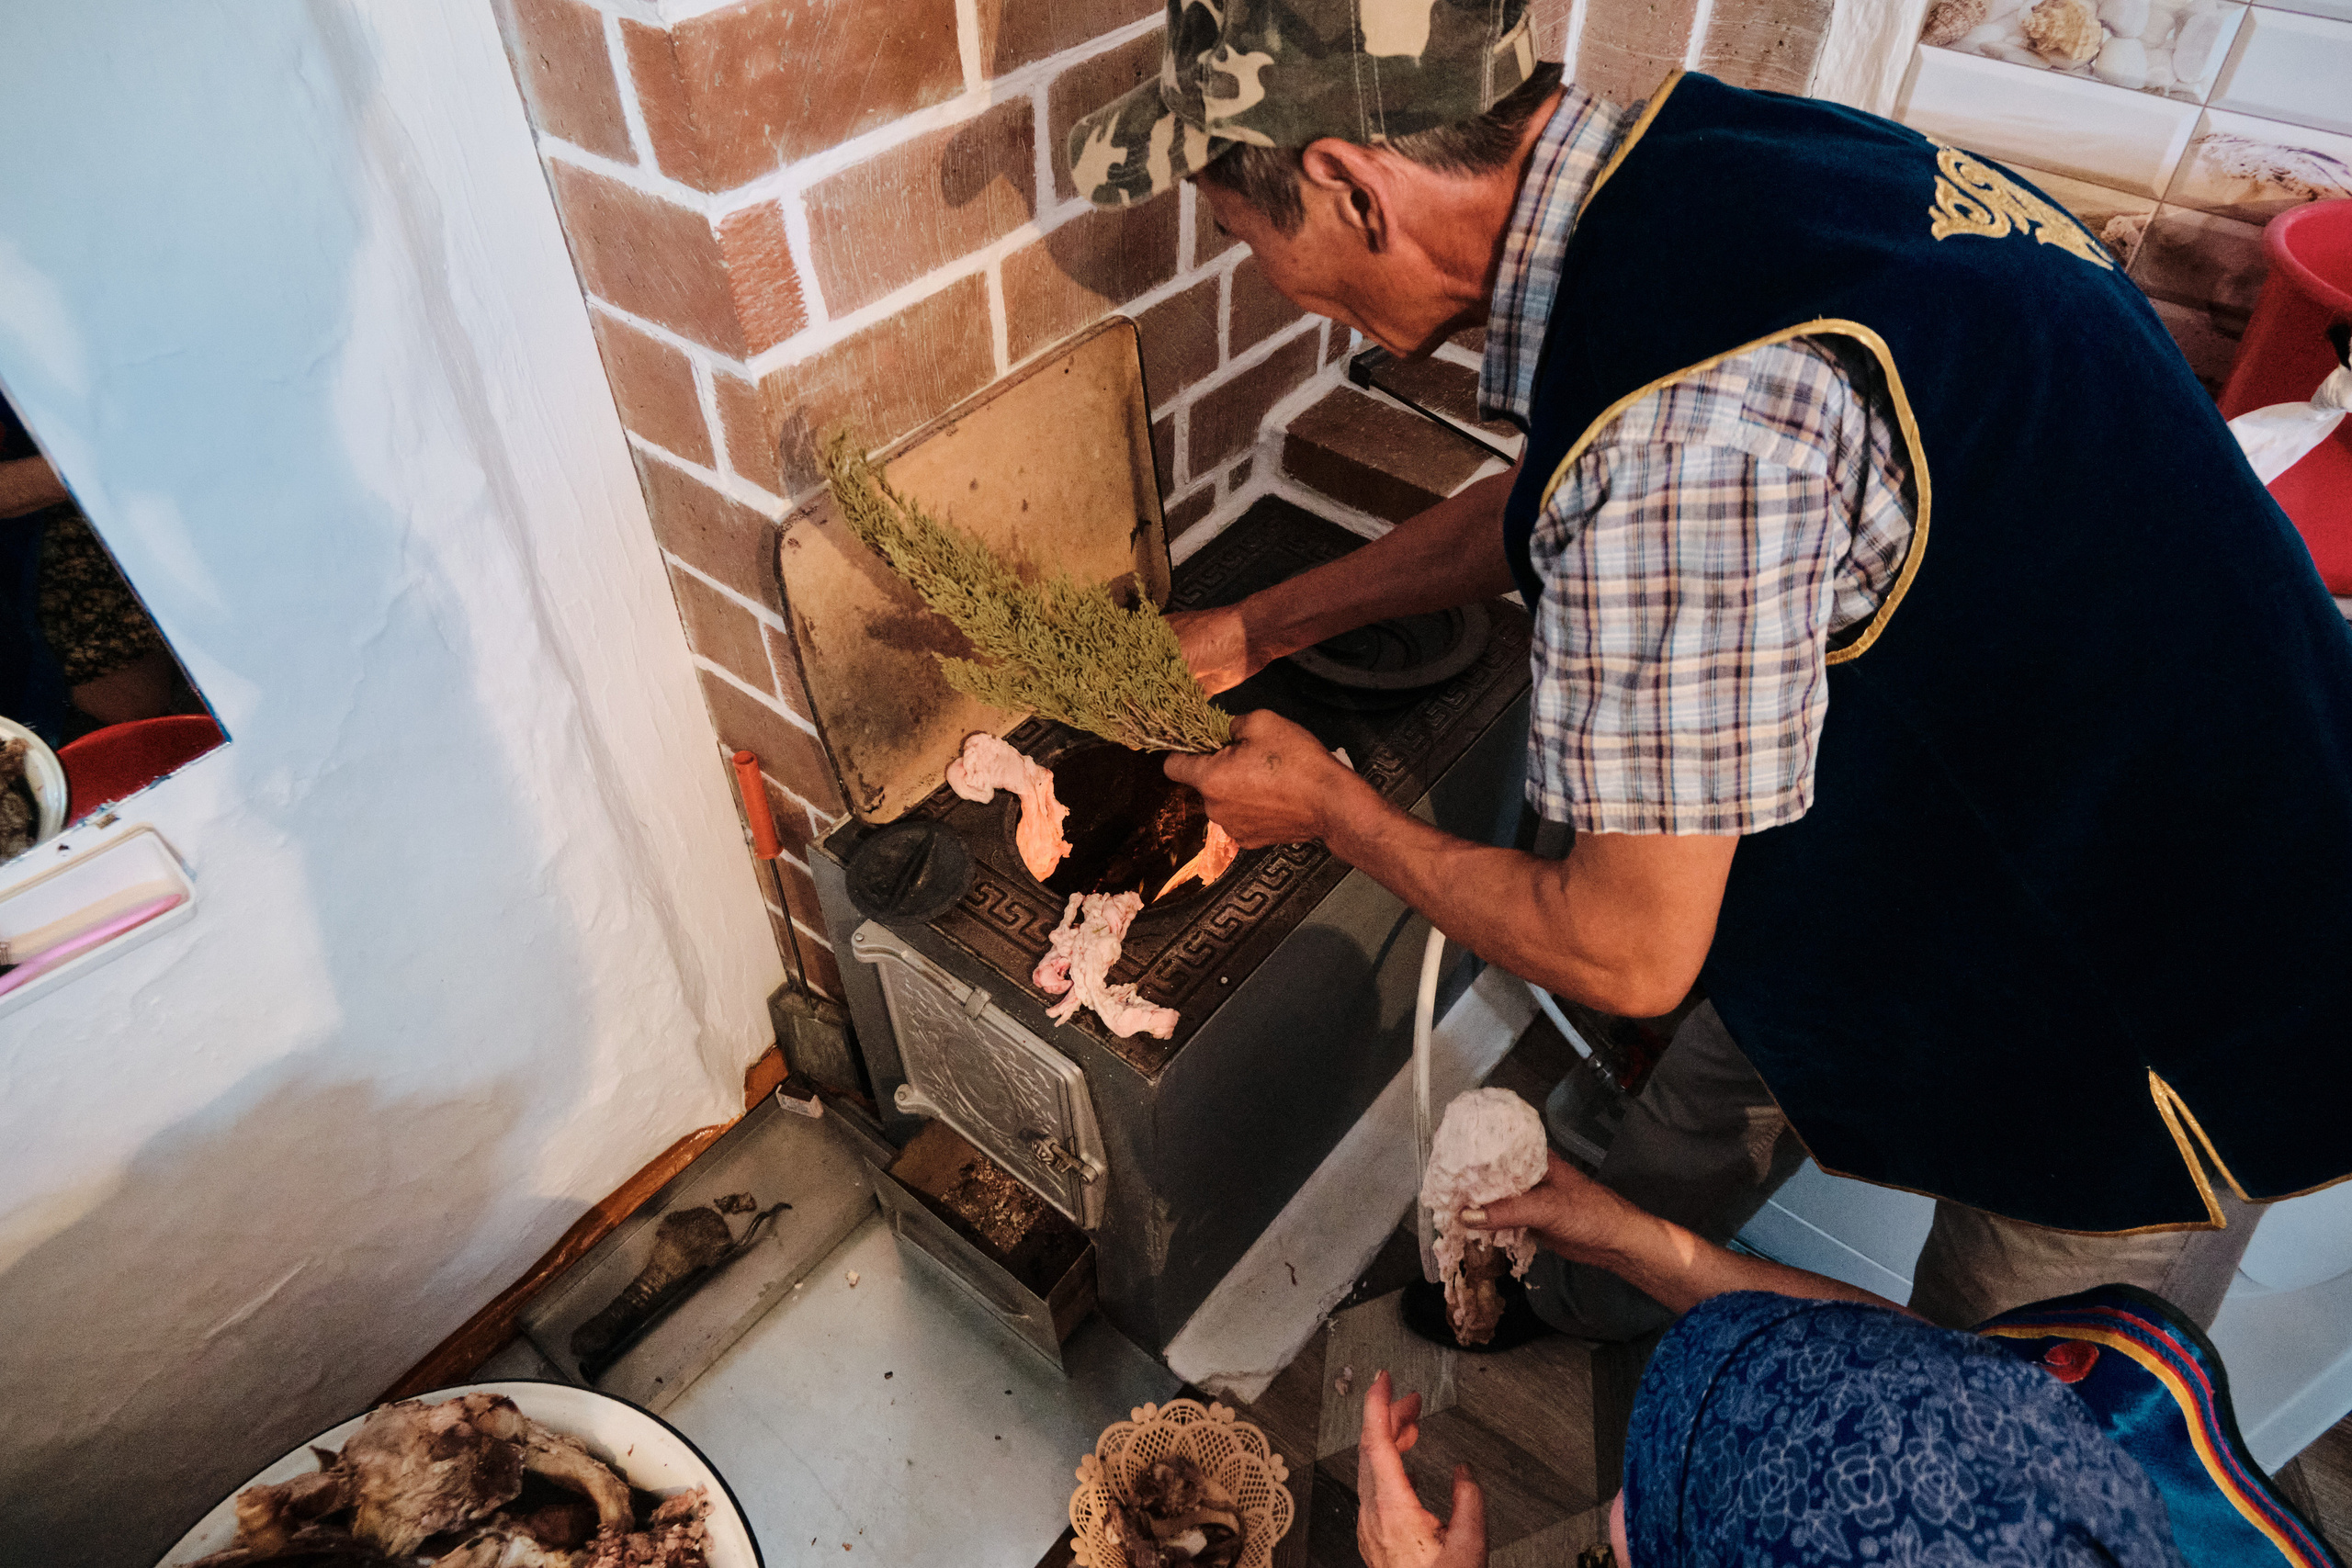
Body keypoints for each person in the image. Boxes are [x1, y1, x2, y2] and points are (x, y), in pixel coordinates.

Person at [1061, 0, 2352, 1337]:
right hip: (1966, 805)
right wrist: (1263, 625)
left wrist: (1334, 809)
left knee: (1998, 1411)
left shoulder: (1690, 438)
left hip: (2172, 979)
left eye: (1245, 237)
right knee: (1734, 1047)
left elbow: (1623, 950)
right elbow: (1575, 478)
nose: (1267, 275)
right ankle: (1570, 1281)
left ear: (1348, 189)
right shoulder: (1715, 164)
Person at [1348, 1160, 2343, 1566]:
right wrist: (1623, 1238)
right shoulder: (2085, 1451)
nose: (1612, 1511)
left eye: (1643, 1534)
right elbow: (1917, 1367)